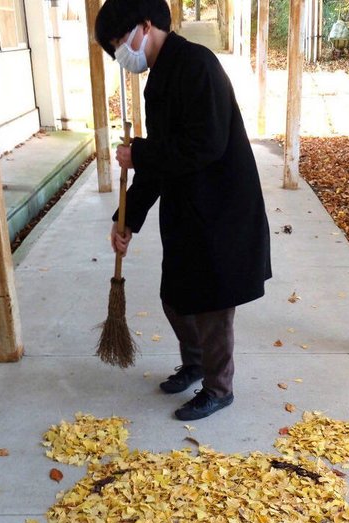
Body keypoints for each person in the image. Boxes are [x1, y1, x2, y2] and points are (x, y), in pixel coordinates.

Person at [95, 0, 271, 420]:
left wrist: (139, 153)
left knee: (212, 305)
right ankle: (195, 364)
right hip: (188, 207)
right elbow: (160, 164)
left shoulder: (197, 65)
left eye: (120, 41)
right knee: (176, 295)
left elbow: (206, 144)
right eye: (114, 48)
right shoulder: (160, 78)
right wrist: (126, 219)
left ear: (146, 25)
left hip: (221, 206)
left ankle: (219, 388)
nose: (121, 53)